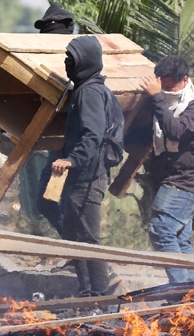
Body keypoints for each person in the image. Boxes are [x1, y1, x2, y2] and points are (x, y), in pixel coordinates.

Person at [51, 35, 123, 296]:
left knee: (89, 239)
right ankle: (87, 291)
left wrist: (72, 159)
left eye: (71, 59)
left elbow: (93, 135)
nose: (67, 63)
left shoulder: (90, 92)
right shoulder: (86, 88)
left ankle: (100, 294)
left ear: (85, 62)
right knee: (74, 236)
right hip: (81, 176)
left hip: (88, 176)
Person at [140, 55, 194, 284]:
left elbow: (175, 131)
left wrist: (156, 99)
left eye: (169, 88)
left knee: (161, 231)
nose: (165, 92)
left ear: (185, 80)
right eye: (162, 87)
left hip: (186, 183)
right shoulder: (168, 102)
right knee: (180, 239)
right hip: (176, 180)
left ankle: (180, 292)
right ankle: (191, 295)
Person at [19, 1, 75, 238]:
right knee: (46, 202)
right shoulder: (43, 63)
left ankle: (92, 263)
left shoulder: (79, 60)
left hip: (76, 149)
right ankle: (76, 255)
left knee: (71, 206)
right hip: (55, 146)